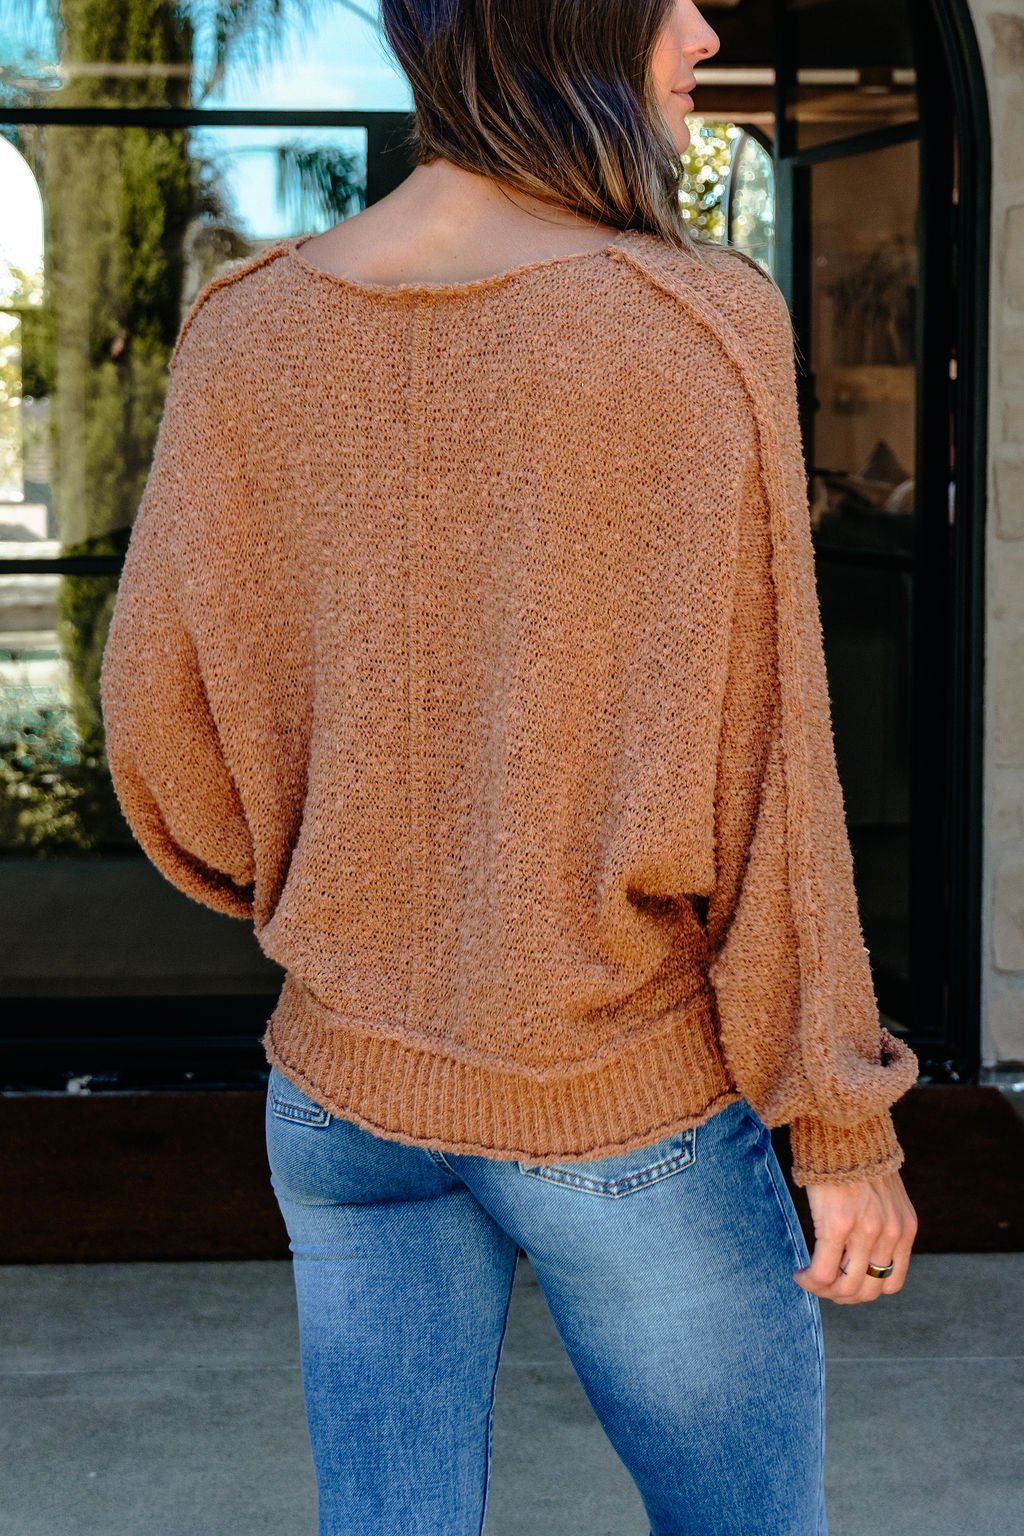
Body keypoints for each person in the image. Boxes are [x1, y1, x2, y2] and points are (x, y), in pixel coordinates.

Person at [99, 2, 921, 1531]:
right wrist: (839, 1120)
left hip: (340, 1096)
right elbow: (775, 781)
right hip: (616, 1099)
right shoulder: (693, 323)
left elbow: (156, 724)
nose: (702, 25)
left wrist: (330, 885)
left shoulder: (246, 327)